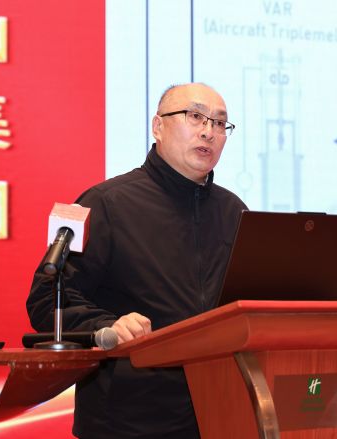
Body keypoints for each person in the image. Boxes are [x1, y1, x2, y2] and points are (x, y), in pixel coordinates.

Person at [27, 83, 247, 439]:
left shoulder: (234, 211)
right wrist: (108, 326)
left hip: (219, 415)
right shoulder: (105, 203)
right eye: (195, 117)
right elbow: (46, 300)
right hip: (128, 421)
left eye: (220, 123)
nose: (209, 131)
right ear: (158, 126)